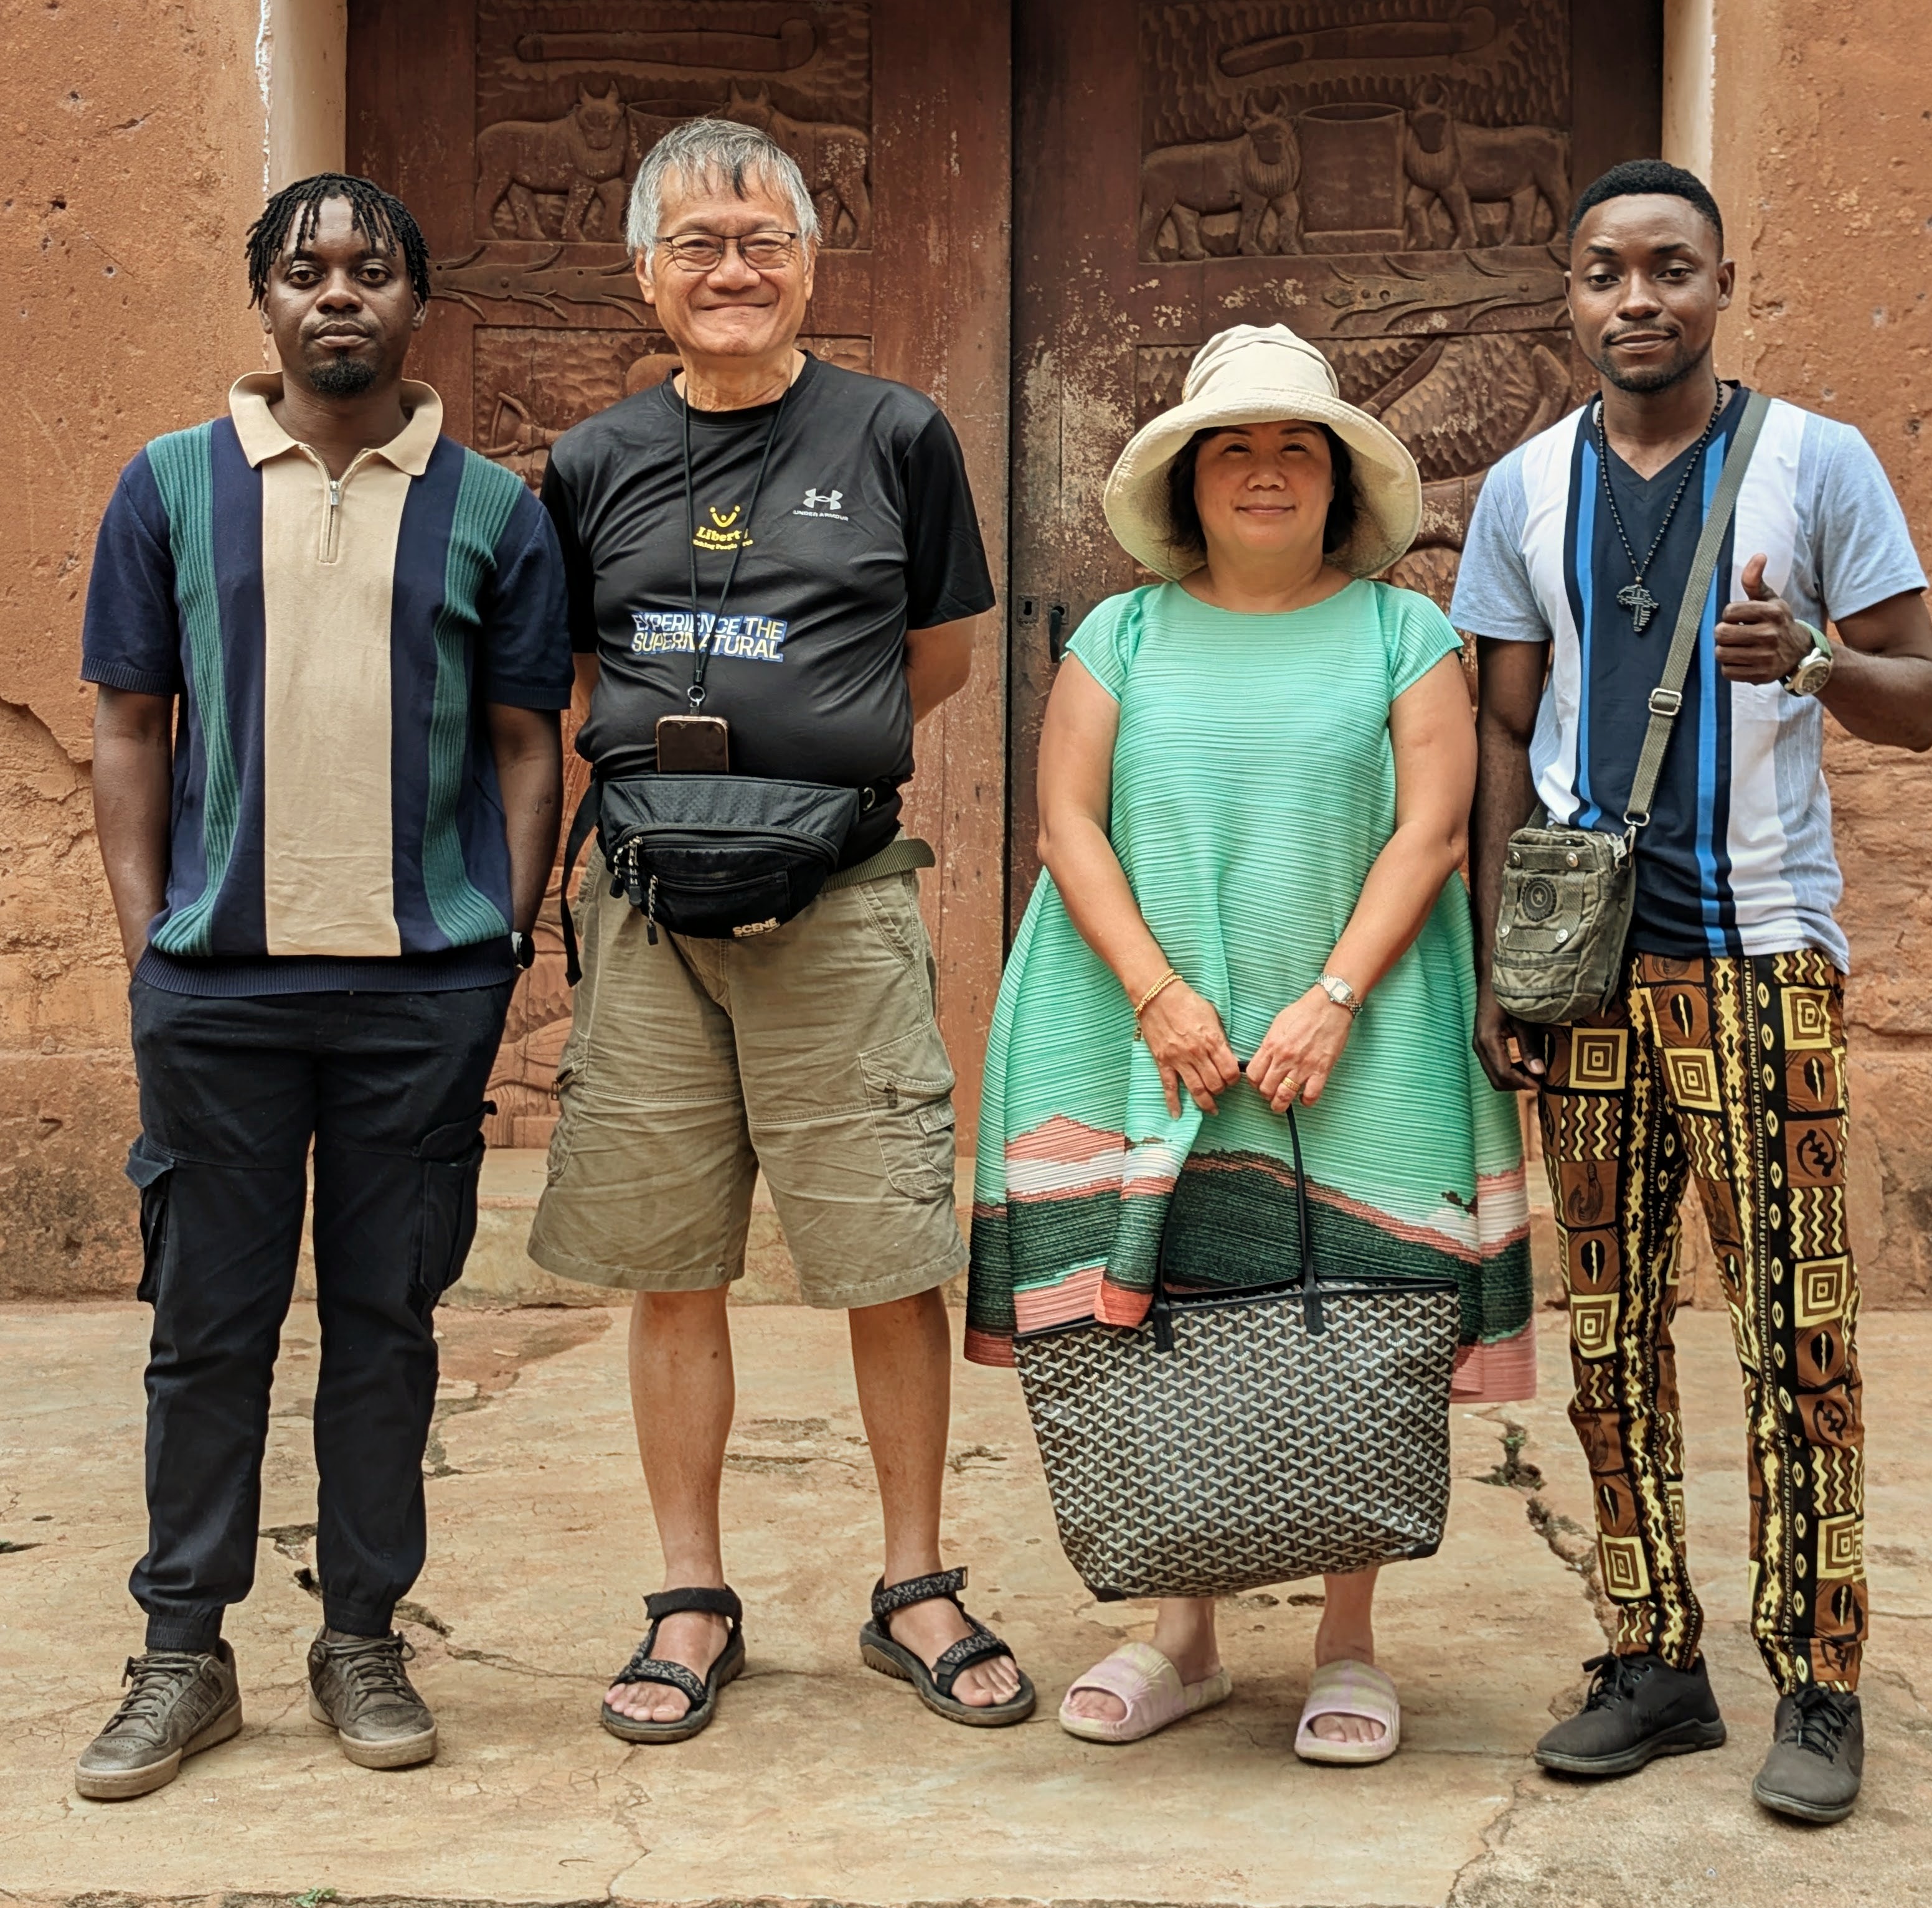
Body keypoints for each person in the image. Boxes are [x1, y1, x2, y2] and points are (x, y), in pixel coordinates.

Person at [1453, 157, 1932, 1827]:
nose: (1636, 298)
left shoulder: (1814, 463)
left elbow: (1921, 699)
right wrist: (1492, 961)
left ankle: (1814, 1680)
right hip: (1588, 974)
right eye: (1603, 272)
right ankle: (1652, 1656)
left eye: (1669, 268)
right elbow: (1501, 734)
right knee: (1606, 1332)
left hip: (1759, 966)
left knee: (1795, 1334)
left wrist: (1801, 661)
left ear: (1721, 283)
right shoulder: (1524, 487)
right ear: (1568, 298)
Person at [528, 116, 1031, 1742]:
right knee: (669, 1266)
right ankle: (689, 1596)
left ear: (809, 263)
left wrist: (804, 762)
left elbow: (937, 655)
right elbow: (570, 680)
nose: (732, 269)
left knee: (887, 1250)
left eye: (762, 241)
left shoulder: (893, 434)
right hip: (652, 915)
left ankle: (914, 1582)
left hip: (839, 904)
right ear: (644, 273)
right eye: (697, 243)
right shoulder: (593, 461)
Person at [968, 323, 1534, 1764]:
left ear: (1337, 482)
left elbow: (1432, 829)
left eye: (1296, 448)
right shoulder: (1124, 634)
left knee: (1356, 1298)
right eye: (1236, 448)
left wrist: (1331, 996)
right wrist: (1158, 991)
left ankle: (1347, 1643)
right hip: (1137, 1020)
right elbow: (1067, 824)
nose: (1267, 472)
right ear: (1188, 483)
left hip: (1362, 1025)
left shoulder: (1406, 634)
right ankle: (1184, 1637)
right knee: (1161, 1310)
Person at [73, 175, 572, 1802]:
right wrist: (156, 949)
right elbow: (130, 726)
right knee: (206, 1330)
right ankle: (179, 1655)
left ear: (418, 303)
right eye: (307, 272)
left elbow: (521, 745)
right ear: (266, 305)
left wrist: (493, 945)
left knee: (386, 1326)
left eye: (371, 270)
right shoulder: (168, 489)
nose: (337, 295)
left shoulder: (494, 511)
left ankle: (360, 1634)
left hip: (413, 998)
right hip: (217, 996)